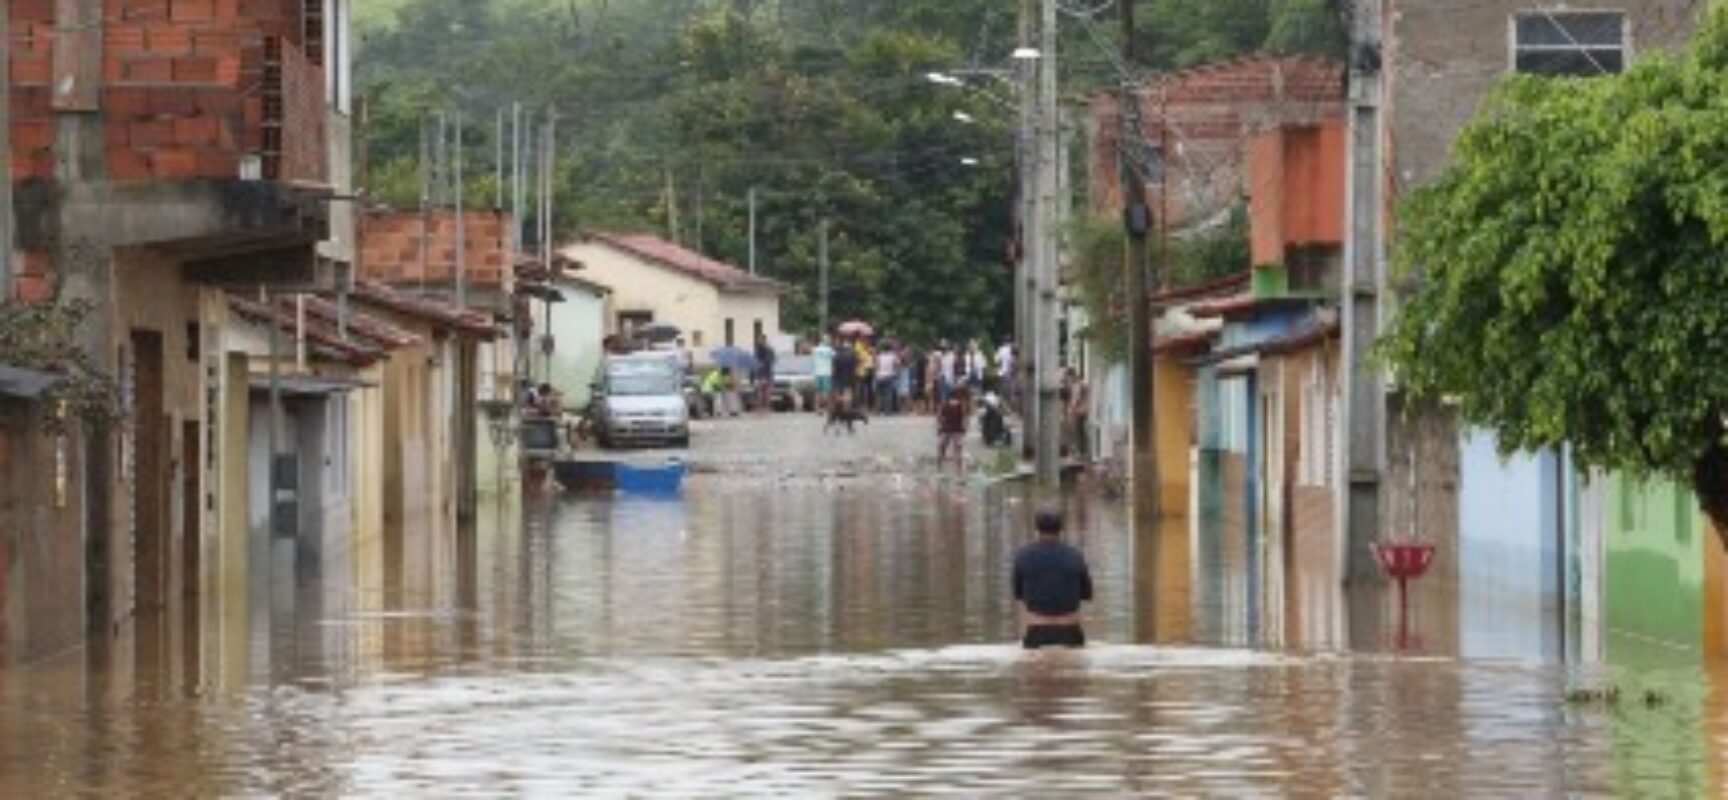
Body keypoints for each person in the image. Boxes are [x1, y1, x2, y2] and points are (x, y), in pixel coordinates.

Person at [1012, 509, 1094, 649]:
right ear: (1060, 529)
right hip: (1070, 629)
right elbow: (1087, 594)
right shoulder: (1075, 556)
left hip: (1036, 630)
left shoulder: (1023, 556)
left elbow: (1018, 595)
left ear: (1037, 528)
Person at [937, 384, 968, 472]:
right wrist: (964, 429)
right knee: (958, 450)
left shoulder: (944, 405)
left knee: (942, 448)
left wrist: (939, 428)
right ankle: (959, 469)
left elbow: (939, 418)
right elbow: (964, 418)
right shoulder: (961, 406)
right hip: (957, 430)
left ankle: (939, 467)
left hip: (946, 429)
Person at [1065, 367, 1091, 462]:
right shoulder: (1082, 384)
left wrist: (1070, 411)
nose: (1067, 380)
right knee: (1081, 433)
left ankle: (1078, 455)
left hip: (1079, 412)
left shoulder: (1077, 385)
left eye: (1068, 377)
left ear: (1072, 376)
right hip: (1084, 412)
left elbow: (1074, 400)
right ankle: (1082, 454)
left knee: (1076, 434)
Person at [812, 336, 837, 412]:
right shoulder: (830, 350)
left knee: (817, 392)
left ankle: (817, 409)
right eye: (829, 340)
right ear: (827, 341)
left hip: (817, 373)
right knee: (826, 392)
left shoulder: (815, 349)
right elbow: (835, 357)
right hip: (826, 373)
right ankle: (827, 408)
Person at [753, 334, 776, 413]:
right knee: (766, 391)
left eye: (759, 339)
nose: (758, 341)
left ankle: (761, 408)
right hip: (768, 372)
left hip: (761, 373)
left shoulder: (759, 349)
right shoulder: (770, 349)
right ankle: (766, 407)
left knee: (761, 391)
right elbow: (773, 360)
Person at [875, 343, 900, 415]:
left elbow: (876, 366)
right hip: (889, 376)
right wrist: (896, 372)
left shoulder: (879, 356)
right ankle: (887, 411)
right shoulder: (893, 356)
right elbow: (897, 364)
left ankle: (878, 410)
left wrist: (877, 373)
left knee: (879, 394)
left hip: (879, 376)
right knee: (888, 394)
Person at [833, 337, 859, 406]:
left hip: (839, 377)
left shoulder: (837, 356)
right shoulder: (853, 356)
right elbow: (855, 366)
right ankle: (847, 406)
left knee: (839, 392)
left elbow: (835, 367)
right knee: (848, 392)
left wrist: (834, 376)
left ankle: (839, 406)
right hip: (850, 377)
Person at [995, 340, 1016, 414]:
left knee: (1002, 392)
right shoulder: (1012, 349)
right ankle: (1008, 409)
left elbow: (997, 361)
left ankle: (1004, 409)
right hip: (1009, 374)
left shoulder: (1000, 350)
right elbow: (1013, 362)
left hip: (1002, 373)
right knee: (1009, 392)